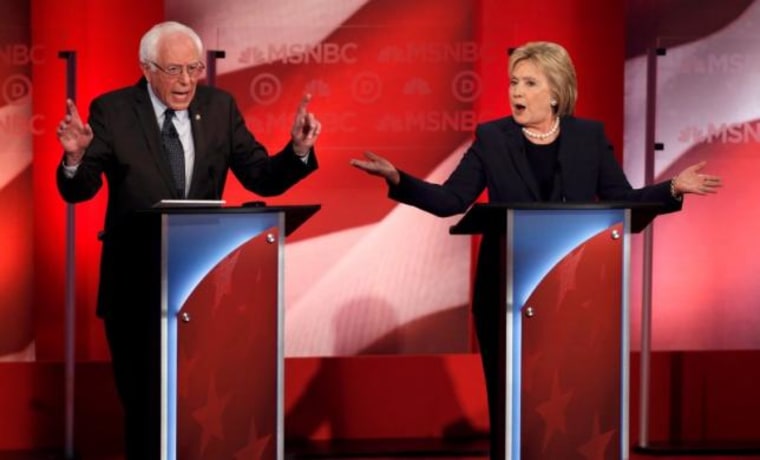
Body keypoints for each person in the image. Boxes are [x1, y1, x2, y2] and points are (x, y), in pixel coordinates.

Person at [350, 41, 721, 456]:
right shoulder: (492, 139)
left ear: (556, 92)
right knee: (511, 408)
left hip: (573, 299)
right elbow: (451, 200)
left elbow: (622, 201)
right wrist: (398, 178)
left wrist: (670, 189)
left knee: (570, 409)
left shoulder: (589, 138)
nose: (516, 92)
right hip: (505, 295)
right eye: (513, 82)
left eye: (529, 83)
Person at [55, 21, 320, 459]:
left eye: (193, 68)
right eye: (173, 69)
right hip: (136, 290)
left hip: (204, 290)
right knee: (144, 409)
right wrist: (75, 157)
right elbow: (79, 189)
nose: (185, 81)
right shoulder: (114, 111)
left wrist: (297, 152)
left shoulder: (219, 107)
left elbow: (260, 177)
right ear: (146, 68)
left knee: (203, 411)